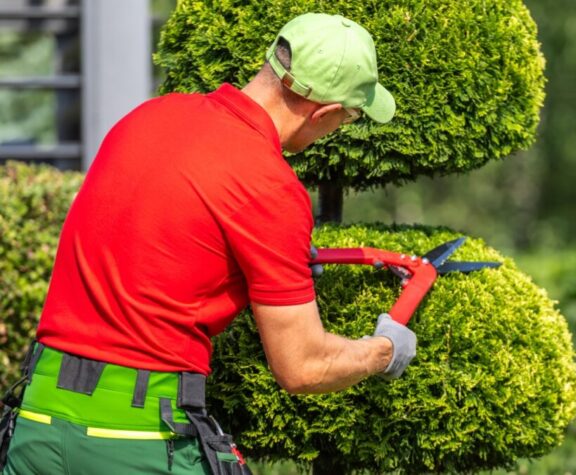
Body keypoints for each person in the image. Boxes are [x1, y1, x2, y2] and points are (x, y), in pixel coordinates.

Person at [0, 13, 416, 475]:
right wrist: (383, 350)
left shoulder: (147, 116)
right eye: (351, 117)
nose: (341, 129)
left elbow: (160, 236)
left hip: (37, 420)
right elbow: (303, 366)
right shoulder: (268, 185)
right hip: (137, 438)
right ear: (324, 112)